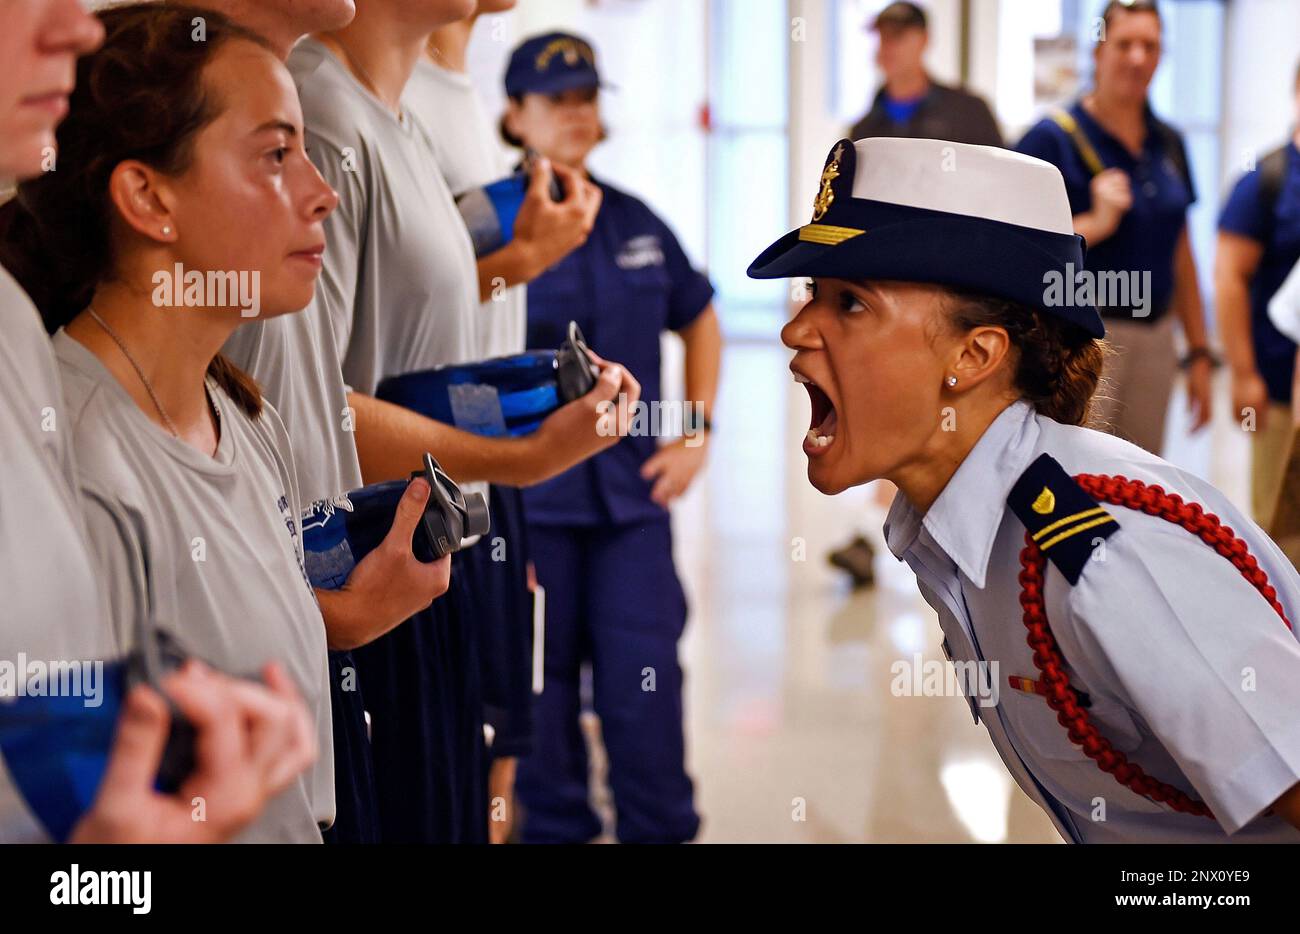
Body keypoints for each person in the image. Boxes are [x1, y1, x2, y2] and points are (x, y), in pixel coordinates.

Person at [750, 134, 1300, 842]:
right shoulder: (958, 528)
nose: (797, 329)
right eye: (811, 295)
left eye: (850, 304)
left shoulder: (1104, 557)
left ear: (973, 355)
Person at [0, 3, 445, 842]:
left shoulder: (240, 410)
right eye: (277, 156)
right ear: (147, 197)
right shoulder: (89, 461)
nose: (320, 196)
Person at [284, 1, 641, 843]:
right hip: (372, 543)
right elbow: (312, 400)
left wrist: (519, 275)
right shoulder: (327, 117)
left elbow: (408, 342)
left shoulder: (399, 114)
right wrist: (513, 458)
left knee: (474, 790)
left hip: (437, 524)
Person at [500, 32, 721, 844]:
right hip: (528, 507)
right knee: (540, 695)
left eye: (586, 98)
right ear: (514, 114)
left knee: (646, 687)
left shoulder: (636, 223)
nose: (575, 114)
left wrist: (695, 429)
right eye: (555, 100)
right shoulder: (493, 230)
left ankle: (659, 829)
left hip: (632, 504)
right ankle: (555, 831)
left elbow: (700, 317)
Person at [411, 0, 601, 843]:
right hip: (425, 476)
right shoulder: (381, 104)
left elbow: (455, 294)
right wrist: (528, 258)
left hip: (487, 473)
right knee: (446, 757)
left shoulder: (456, 103)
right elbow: (383, 340)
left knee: (499, 735)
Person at [1015, 0, 1211, 456]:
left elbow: (1181, 250)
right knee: (1077, 476)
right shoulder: (1051, 139)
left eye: (1151, 46)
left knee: (1141, 482)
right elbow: (1017, 248)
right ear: (1099, 51)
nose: (1138, 57)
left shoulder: (1170, 142)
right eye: (1125, 44)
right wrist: (1095, 224)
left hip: (1157, 338)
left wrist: (1199, 353)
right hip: (1081, 340)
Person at [1217, 60, 1300, 525]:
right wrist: (1245, 375)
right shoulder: (1265, 181)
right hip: (1278, 389)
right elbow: (1229, 280)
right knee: (1282, 527)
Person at [849, 1, 1001, 147]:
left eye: (897, 35)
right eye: (881, 36)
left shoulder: (969, 113)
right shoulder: (863, 132)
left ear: (924, 39)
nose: (887, 46)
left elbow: (999, 170)